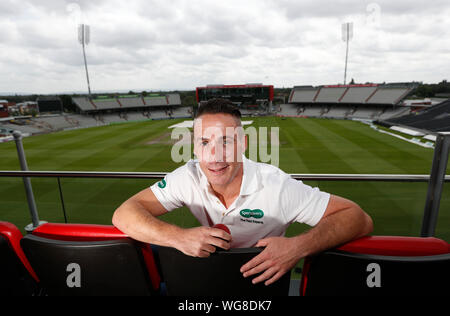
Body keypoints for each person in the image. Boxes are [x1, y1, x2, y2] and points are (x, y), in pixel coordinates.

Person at [112, 98, 373, 286]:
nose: (214, 157)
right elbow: (124, 214)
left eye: (225, 141)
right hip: (210, 277)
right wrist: (179, 237)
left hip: (263, 284)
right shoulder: (188, 176)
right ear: (195, 147)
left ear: (243, 144)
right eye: (205, 142)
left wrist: (297, 247)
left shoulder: (276, 185)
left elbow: (358, 218)